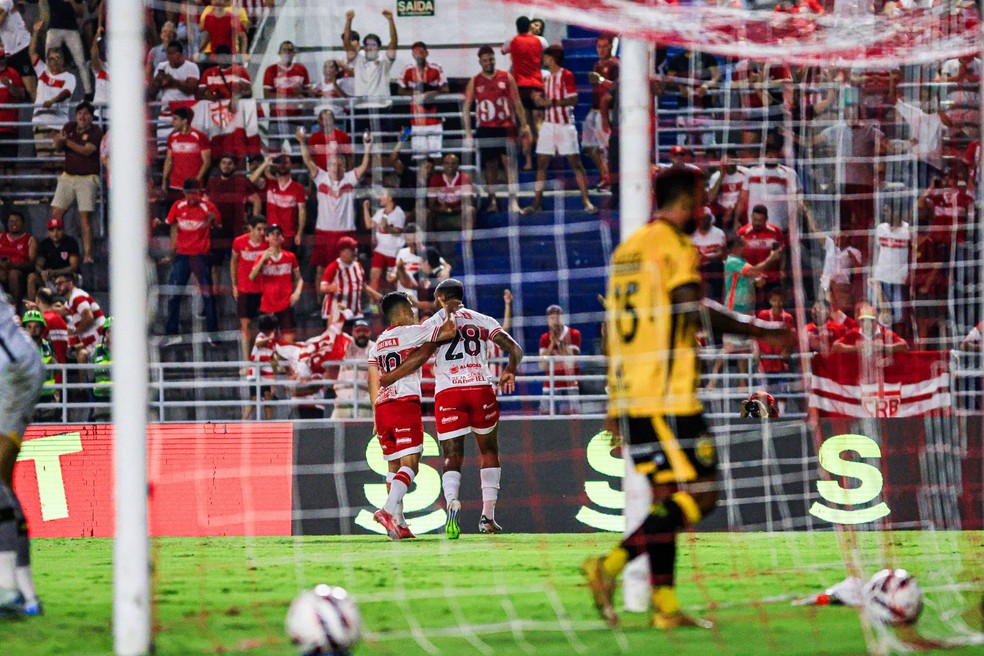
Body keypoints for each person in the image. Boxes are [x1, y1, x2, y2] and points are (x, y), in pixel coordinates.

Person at [584, 166, 791, 629]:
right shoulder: (674, 246)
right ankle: (609, 567)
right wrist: (763, 330)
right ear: (690, 200)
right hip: (667, 396)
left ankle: (666, 608)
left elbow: (612, 334)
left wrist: (613, 402)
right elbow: (691, 307)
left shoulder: (626, 253)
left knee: (666, 501)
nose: (708, 205)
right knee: (703, 494)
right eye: (703, 196)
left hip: (636, 394)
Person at [380, 279, 523, 537]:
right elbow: (515, 348)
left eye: (436, 298)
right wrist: (510, 370)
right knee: (488, 450)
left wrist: (390, 377)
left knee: (451, 456)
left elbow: (422, 356)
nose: (434, 303)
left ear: (444, 298)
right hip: (480, 387)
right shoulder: (483, 320)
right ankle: (487, 518)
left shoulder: (434, 323)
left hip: (448, 393)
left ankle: (452, 504)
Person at [366, 291, 457, 540]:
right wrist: (445, 308)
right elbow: (448, 332)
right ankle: (386, 511)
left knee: (393, 466)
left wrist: (376, 414)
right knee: (412, 463)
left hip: (383, 408)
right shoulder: (411, 333)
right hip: (404, 404)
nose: (415, 313)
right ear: (404, 312)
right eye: (412, 309)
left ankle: (401, 524)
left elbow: (372, 381)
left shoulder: (376, 346)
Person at [0, 293, 44, 616]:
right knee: (2, 485)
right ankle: (24, 592)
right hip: (19, 368)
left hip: (13, 373)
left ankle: (10, 590)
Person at [297, 127, 372, 288]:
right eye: (333, 165)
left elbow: (364, 166)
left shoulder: (350, 178)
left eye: (339, 165)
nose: (336, 168)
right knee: (321, 269)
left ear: (344, 168)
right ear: (328, 166)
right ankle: (320, 308)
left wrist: (367, 147)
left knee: (350, 268)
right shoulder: (320, 177)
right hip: (324, 231)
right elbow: (308, 161)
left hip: (346, 231)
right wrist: (302, 143)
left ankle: (348, 302)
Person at [526, 45, 597, 215]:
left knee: (576, 163)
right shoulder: (547, 78)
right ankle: (536, 203)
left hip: (565, 125)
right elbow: (545, 100)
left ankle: (586, 200)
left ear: (553, 58)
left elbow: (574, 99)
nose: (544, 60)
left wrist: (551, 103)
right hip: (549, 124)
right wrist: (538, 100)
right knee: (541, 163)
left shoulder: (567, 75)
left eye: (546, 57)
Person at [461, 45, 530, 214]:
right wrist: (468, 132)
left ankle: (513, 201)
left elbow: (517, 102)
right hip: (486, 128)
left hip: (506, 126)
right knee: (490, 166)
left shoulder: (506, 77)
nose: (488, 62)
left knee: (510, 165)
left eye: (491, 59)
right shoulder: (475, 80)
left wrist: (525, 124)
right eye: (485, 60)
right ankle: (492, 200)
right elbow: (466, 108)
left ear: (494, 59)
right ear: (480, 62)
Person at [708, 236, 782, 387]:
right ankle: (712, 382)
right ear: (737, 247)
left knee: (745, 347)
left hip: (747, 311)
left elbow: (754, 276)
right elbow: (754, 271)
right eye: (743, 244)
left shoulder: (742, 262)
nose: (746, 246)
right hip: (734, 310)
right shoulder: (732, 261)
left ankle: (743, 383)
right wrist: (771, 258)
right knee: (728, 347)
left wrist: (758, 281)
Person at [163, 178, 220, 342]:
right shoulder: (177, 206)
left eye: (194, 194)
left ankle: (213, 334)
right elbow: (170, 224)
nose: (191, 197)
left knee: (207, 295)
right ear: (184, 193)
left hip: (201, 255)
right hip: (182, 255)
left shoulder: (208, 208)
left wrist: (213, 221)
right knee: (174, 294)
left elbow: (219, 227)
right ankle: (172, 333)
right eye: (188, 194)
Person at [49, 101, 103, 264]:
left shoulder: (96, 131)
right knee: (56, 214)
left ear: (91, 117)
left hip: (87, 178)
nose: (82, 116)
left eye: (86, 114)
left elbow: (87, 151)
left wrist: (66, 142)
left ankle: (87, 254)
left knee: (85, 217)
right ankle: (56, 250)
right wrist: (59, 140)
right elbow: (58, 149)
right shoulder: (69, 127)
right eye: (80, 113)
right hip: (67, 176)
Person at [28, 20, 76, 171]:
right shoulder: (42, 71)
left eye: (57, 58)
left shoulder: (70, 77)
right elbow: (32, 53)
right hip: (41, 121)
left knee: (60, 162)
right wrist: (35, 32)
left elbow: (66, 93)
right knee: (45, 162)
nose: (54, 61)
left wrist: (52, 101)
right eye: (51, 58)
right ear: (47, 60)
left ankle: (59, 194)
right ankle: (46, 195)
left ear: (63, 60)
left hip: (59, 123)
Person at [248, 224, 303, 342]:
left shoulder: (290, 257)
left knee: (288, 342)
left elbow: (300, 278)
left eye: (278, 234)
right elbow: (252, 277)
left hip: (285, 305)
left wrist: (297, 293)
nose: (276, 236)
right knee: (268, 342)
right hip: (268, 306)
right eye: (272, 234)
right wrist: (263, 259)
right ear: (266, 238)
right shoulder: (261, 258)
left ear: (283, 238)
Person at [502, 17, 544, 170]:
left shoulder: (512, 41)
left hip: (520, 87)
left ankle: (528, 162)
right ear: (529, 26)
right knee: (538, 124)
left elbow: (502, 50)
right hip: (537, 85)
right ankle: (542, 159)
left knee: (525, 125)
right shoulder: (540, 41)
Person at [397, 41, 448, 159]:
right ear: (412, 55)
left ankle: (436, 178)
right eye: (415, 52)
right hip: (417, 120)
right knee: (419, 158)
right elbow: (400, 90)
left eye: (421, 52)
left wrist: (430, 93)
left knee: (436, 157)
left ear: (426, 53)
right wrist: (416, 94)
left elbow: (446, 88)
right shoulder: (408, 70)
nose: (418, 55)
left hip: (434, 120)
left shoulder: (436, 68)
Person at [342, 9, 397, 116]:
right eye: (367, 45)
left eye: (373, 45)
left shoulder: (385, 60)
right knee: (361, 133)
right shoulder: (358, 59)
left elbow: (394, 42)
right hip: (362, 106)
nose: (370, 47)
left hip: (382, 106)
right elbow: (346, 43)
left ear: (379, 47)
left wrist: (391, 20)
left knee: (383, 134)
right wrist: (349, 21)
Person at [249, 154, 306, 250]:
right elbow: (251, 180)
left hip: (288, 235)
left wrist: (299, 233)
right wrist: (265, 163)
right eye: (279, 163)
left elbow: (302, 211)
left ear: (291, 165)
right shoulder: (270, 183)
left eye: (285, 163)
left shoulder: (298, 187)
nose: (282, 166)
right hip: (270, 232)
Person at [230, 215, 268, 359]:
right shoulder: (239, 242)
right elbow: (233, 262)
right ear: (250, 228)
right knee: (245, 325)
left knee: (267, 326)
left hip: (264, 290)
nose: (262, 233)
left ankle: (267, 359)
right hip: (245, 289)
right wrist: (234, 285)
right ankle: (247, 361)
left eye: (264, 229)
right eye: (259, 229)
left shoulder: (268, 244)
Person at [319, 236, 380, 325]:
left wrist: (380, 297)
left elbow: (364, 287)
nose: (355, 251)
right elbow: (322, 287)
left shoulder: (358, 266)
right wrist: (330, 288)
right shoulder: (334, 267)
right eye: (351, 249)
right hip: (337, 311)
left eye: (355, 248)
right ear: (342, 252)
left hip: (355, 313)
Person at [735, 204, 786, 309]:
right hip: (750, 278)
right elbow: (737, 256)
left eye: (760, 220)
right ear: (751, 217)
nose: (757, 223)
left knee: (772, 308)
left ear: (766, 219)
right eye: (755, 219)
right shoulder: (743, 233)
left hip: (771, 277)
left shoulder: (776, 231)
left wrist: (782, 270)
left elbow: (782, 253)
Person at [584, 35, 619, 190]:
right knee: (588, 145)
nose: (601, 50)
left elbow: (618, 86)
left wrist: (601, 81)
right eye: (599, 46)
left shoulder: (616, 65)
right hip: (594, 109)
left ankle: (610, 178)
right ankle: (605, 174)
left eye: (604, 46)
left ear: (611, 47)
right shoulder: (597, 64)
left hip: (608, 111)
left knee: (606, 147)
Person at [149, 41, 200, 144]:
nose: (170, 57)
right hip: (167, 111)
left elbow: (191, 89)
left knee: (185, 143)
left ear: (181, 55)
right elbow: (151, 93)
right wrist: (158, 82)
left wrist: (172, 81)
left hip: (186, 111)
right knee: (164, 145)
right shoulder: (162, 66)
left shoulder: (191, 67)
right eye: (168, 54)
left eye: (173, 54)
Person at [262, 40, 310, 144]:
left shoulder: (301, 69)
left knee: (298, 153)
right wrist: (293, 97)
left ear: (294, 53)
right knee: (274, 154)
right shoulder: (271, 70)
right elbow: (267, 95)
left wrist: (301, 91)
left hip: (297, 119)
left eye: (290, 50)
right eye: (284, 50)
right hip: (276, 118)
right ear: (279, 53)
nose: (287, 53)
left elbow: (309, 93)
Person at [538, 304, 581, 415]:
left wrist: (559, 343)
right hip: (550, 384)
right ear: (548, 321)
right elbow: (542, 365)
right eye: (552, 318)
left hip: (570, 384)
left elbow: (572, 361)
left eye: (558, 318)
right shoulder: (544, 338)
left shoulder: (574, 334)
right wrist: (552, 344)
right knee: (544, 416)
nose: (555, 321)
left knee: (572, 417)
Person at [427, 153, 476, 248]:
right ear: (443, 165)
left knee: (471, 210)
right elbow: (431, 205)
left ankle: (467, 246)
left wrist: (454, 209)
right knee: (427, 213)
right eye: (447, 163)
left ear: (457, 166)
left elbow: (470, 202)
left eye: (453, 163)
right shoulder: (435, 180)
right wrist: (442, 209)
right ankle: (433, 247)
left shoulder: (464, 178)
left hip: (459, 214)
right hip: (441, 214)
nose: (450, 166)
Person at [44, 0, 91, 96]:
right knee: (49, 61)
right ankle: (47, 91)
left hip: (71, 29)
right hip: (54, 28)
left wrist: (72, 2)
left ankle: (88, 92)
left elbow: (81, 12)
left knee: (81, 62)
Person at [362, 190, 405, 293]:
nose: (380, 198)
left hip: (394, 252)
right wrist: (365, 208)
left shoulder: (398, 212)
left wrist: (386, 227)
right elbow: (369, 225)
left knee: (393, 280)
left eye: (382, 195)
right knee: (374, 275)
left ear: (390, 198)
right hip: (380, 250)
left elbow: (398, 231)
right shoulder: (380, 212)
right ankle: (374, 307)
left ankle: (396, 303)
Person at [331, 319, 374, 419]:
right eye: (358, 331)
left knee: (366, 433)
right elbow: (333, 333)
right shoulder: (345, 344)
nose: (362, 334)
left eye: (365, 331)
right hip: (342, 399)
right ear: (353, 332)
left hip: (365, 400)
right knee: (334, 432)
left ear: (369, 332)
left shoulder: (375, 348)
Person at [20, 309, 57, 418]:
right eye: (29, 327)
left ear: (42, 328)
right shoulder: (18, 348)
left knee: (49, 433)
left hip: (47, 399)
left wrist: (54, 363)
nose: (33, 330)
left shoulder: (49, 346)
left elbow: (58, 369)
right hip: (26, 399)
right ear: (24, 328)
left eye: (36, 327)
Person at [833, 304, 908, 354]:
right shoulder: (854, 332)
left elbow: (904, 346)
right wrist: (855, 348)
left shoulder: (885, 333)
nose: (867, 324)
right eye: (864, 320)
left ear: (876, 321)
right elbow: (835, 346)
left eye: (870, 320)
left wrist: (883, 347)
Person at [0, 0, 36, 101]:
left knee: (30, 90)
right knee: (12, 91)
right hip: (9, 52)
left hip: (22, 48)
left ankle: (42, 116)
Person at [0, 44, 26, 180]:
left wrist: (9, 85)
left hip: (9, 126)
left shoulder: (12, 73)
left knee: (9, 163)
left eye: (2, 58)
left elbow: (21, 95)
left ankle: (9, 197)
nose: (1, 62)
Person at [0, 211, 37, 307]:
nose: (14, 224)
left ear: (23, 223)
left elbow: (31, 264)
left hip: (21, 274)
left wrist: (13, 265)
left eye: (17, 221)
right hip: (2, 271)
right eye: (11, 221)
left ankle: (15, 306)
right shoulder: (1, 237)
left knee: (13, 273)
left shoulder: (30, 239)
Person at [90, 316, 111, 417]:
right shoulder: (96, 351)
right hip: (100, 399)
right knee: (102, 430)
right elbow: (90, 376)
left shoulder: (126, 352)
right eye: (109, 331)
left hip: (121, 400)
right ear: (105, 334)